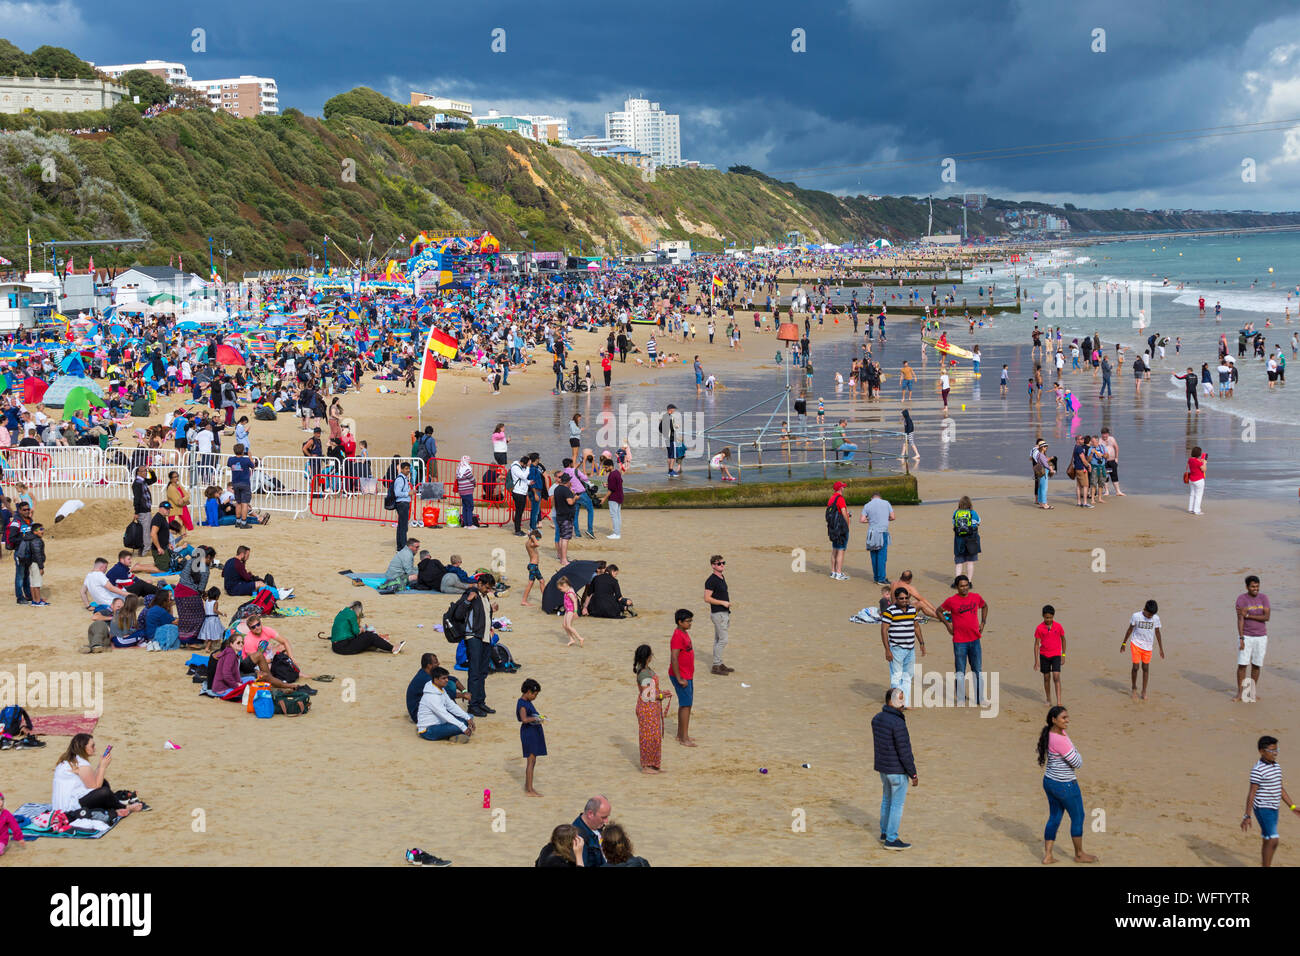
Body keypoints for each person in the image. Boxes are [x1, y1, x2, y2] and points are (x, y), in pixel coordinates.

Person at [1036, 706, 1097, 864]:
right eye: (1064, 718)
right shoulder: (1060, 739)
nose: (1067, 720)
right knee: (1078, 816)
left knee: (1055, 817)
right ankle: (1079, 854)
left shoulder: (1051, 734)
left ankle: (1048, 855)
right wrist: (1076, 751)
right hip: (1065, 785)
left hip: (1049, 781)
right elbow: (1077, 762)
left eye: (1067, 717)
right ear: (1053, 720)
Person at [51, 734, 146, 818]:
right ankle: (125, 807)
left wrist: (100, 765)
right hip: (69, 807)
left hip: (63, 802)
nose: (95, 748)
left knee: (103, 782)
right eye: (92, 746)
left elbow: (92, 780)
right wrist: (103, 767)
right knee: (104, 792)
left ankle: (114, 806)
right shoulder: (82, 765)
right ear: (83, 748)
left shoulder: (72, 760)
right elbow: (96, 787)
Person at [1241, 735, 1300, 867]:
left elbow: (1280, 788)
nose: (1275, 754)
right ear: (1262, 751)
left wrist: (1292, 807)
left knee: (1267, 838)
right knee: (1273, 839)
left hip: (1274, 807)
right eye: (1272, 751)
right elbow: (1252, 793)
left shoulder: (1277, 767)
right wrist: (1247, 815)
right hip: (1262, 808)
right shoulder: (1258, 770)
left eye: (1277, 750)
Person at [871, 687, 917, 850]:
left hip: (883, 769)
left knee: (886, 801)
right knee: (896, 805)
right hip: (897, 771)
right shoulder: (898, 723)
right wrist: (913, 773)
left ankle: (884, 833)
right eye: (900, 698)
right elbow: (904, 751)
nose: (903, 701)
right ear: (891, 701)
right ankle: (891, 838)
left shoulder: (876, 719)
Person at [938, 575, 989, 706]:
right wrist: (948, 625)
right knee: (960, 671)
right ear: (956, 587)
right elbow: (939, 611)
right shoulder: (951, 601)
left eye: (966, 585)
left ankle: (980, 698)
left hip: (975, 640)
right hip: (959, 641)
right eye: (961, 586)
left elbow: (985, 606)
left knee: (977, 670)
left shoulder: (976, 597)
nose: (964, 588)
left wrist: (983, 623)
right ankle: (960, 698)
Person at [459, 574, 498, 717]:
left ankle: (480, 702)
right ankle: (473, 705)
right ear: (480, 583)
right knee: (474, 672)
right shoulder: (471, 594)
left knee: (482, 672)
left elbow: (482, 615)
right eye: (487, 587)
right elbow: (459, 613)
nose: (488, 590)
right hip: (474, 637)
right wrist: (467, 602)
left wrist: (492, 610)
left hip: (484, 637)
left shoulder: (484, 596)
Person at [880, 587, 924, 709]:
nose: (904, 600)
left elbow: (916, 626)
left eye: (906, 598)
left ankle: (905, 703)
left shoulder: (912, 610)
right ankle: (896, 703)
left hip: (910, 649)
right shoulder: (890, 611)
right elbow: (884, 630)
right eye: (901, 598)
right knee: (896, 677)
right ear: (896, 599)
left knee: (907, 677)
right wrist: (887, 650)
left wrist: (922, 643)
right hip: (897, 649)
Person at [634, 643, 670, 774]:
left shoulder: (645, 670)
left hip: (651, 707)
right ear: (648, 657)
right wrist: (661, 695)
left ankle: (654, 764)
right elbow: (647, 694)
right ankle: (646, 766)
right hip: (647, 707)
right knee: (648, 736)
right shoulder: (644, 673)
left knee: (654, 736)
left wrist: (661, 694)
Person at [1235, 574, 1271, 702]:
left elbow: (1267, 617)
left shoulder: (1264, 598)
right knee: (1242, 664)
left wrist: (1248, 615)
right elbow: (1240, 619)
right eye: (1252, 586)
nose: (1255, 589)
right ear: (1247, 587)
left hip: (1261, 636)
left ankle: (1251, 692)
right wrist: (1241, 638)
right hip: (1247, 636)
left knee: (1256, 665)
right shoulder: (1241, 599)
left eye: (1257, 586)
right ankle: (1240, 693)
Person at [415, 666, 475, 743]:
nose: (447, 680)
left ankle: (453, 734)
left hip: (440, 723)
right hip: (428, 730)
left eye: (447, 678)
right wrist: (463, 727)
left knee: (468, 718)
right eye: (443, 678)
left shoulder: (440, 689)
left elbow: (452, 706)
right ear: (436, 680)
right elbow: (444, 714)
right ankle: (453, 735)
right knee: (461, 726)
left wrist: (467, 717)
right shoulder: (432, 697)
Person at [1121, 599, 1164, 700]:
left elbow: (1157, 632)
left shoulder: (1156, 618)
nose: (1150, 617)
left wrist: (1161, 648)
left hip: (1148, 646)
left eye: (1152, 615)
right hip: (1136, 643)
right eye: (1149, 614)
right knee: (1135, 667)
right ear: (1144, 609)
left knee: (1145, 667)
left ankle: (1144, 691)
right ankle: (1134, 688)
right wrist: (1124, 643)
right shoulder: (1136, 616)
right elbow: (1130, 629)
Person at [328, 600, 401, 654]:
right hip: (343, 648)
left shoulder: (343, 611)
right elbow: (356, 632)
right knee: (370, 636)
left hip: (335, 646)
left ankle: (377, 644)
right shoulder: (352, 614)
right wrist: (362, 630)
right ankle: (392, 648)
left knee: (367, 636)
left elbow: (347, 629)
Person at [669, 609, 697, 746]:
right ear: (680, 622)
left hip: (687, 674)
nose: (690, 623)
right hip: (682, 675)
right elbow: (674, 657)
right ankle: (684, 738)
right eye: (688, 621)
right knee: (686, 705)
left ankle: (681, 735)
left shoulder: (683, 633)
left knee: (685, 704)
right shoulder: (677, 636)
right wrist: (679, 678)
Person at [517, 678, 546, 795]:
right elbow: (524, 719)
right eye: (534, 694)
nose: (535, 697)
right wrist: (536, 718)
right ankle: (530, 789)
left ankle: (528, 785)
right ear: (528, 692)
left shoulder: (526, 702)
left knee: (532, 761)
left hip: (532, 732)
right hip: (529, 733)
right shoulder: (522, 704)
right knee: (531, 761)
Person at [860, 491, 895, 585]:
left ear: (872, 498)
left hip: (871, 533)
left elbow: (862, 520)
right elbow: (892, 517)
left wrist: (870, 520)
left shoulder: (867, 505)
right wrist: (884, 519)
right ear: (880, 497)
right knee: (882, 556)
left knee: (874, 555)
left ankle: (876, 577)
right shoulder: (886, 503)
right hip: (882, 532)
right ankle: (881, 579)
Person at [1034, 605, 1066, 705]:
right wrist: (1036, 661)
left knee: (1056, 676)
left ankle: (1059, 701)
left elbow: (1063, 640)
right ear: (1043, 616)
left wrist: (1063, 655)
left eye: (1050, 617)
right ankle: (1048, 699)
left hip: (1056, 654)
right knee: (1046, 677)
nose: (1049, 619)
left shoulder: (1058, 626)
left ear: (1053, 616)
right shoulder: (1039, 628)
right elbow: (1036, 645)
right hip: (1044, 655)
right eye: (1046, 617)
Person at [572, 796, 611, 867]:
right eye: (604, 817)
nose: (606, 821)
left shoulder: (597, 825)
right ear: (590, 814)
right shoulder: (578, 839)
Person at [951, 495, 981, 581]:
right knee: (970, 562)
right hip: (971, 539)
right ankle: (969, 581)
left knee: (959, 562)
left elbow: (954, 523)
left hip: (959, 540)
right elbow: (978, 522)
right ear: (970, 504)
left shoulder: (956, 513)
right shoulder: (973, 513)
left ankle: (957, 581)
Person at [826, 480, 851, 580]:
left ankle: (833, 572)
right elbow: (844, 512)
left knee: (835, 549)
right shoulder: (840, 498)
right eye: (843, 487)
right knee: (841, 550)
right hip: (841, 528)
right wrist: (848, 524)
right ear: (840, 488)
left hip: (833, 528)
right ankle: (839, 573)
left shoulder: (831, 498)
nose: (844, 488)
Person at [551, 469, 576, 564]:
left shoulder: (557, 489)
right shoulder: (565, 490)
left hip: (559, 516)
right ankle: (564, 559)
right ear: (568, 481)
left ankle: (562, 557)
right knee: (565, 538)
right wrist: (575, 498)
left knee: (562, 537)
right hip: (566, 517)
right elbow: (570, 502)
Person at [600, 454, 623, 539]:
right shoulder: (617, 472)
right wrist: (608, 484)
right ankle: (617, 531)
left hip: (614, 497)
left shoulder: (611, 475)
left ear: (610, 466)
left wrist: (604, 498)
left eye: (606, 468)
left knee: (614, 515)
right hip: (620, 496)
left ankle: (616, 533)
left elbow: (611, 490)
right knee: (618, 514)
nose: (605, 469)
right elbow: (619, 483)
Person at [557, 576, 583, 646]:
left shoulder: (570, 593)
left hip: (571, 611)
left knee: (569, 626)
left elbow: (575, 601)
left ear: (565, 585)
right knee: (564, 625)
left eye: (560, 589)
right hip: (567, 610)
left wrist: (575, 611)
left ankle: (580, 638)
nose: (560, 591)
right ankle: (571, 639)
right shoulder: (569, 590)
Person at [508, 454, 530, 536]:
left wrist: (529, 482)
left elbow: (523, 479)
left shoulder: (521, 467)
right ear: (524, 463)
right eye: (527, 464)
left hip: (522, 492)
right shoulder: (515, 467)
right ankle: (517, 530)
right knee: (518, 512)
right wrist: (528, 467)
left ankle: (518, 529)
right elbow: (523, 476)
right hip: (518, 492)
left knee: (520, 512)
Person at [392, 461, 412, 549]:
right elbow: (397, 493)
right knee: (403, 526)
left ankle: (400, 545)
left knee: (401, 525)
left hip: (403, 503)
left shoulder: (404, 479)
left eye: (409, 469)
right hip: (402, 503)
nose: (408, 471)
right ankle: (403, 546)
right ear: (402, 469)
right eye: (406, 469)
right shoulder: (400, 479)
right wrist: (408, 493)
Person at [521, 530, 543, 606]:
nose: (538, 540)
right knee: (530, 583)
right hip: (533, 566)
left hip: (534, 566)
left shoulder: (529, 542)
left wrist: (531, 536)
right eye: (538, 538)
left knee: (542, 581)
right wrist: (533, 537)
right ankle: (524, 600)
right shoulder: (531, 543)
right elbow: (537, 544)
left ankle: (545, 598)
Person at [1186, 445, 1207, 516]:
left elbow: (1189, 465)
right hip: (1198, 480)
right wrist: (1204, 463)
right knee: (1198, 495)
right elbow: (1204, 469)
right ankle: (1197, 510)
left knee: (1192, 494)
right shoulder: (1198, 462)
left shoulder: (1190, 459)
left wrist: (1200, 461)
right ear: (1199, 454)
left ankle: (1191, 509)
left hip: (1191, 479)